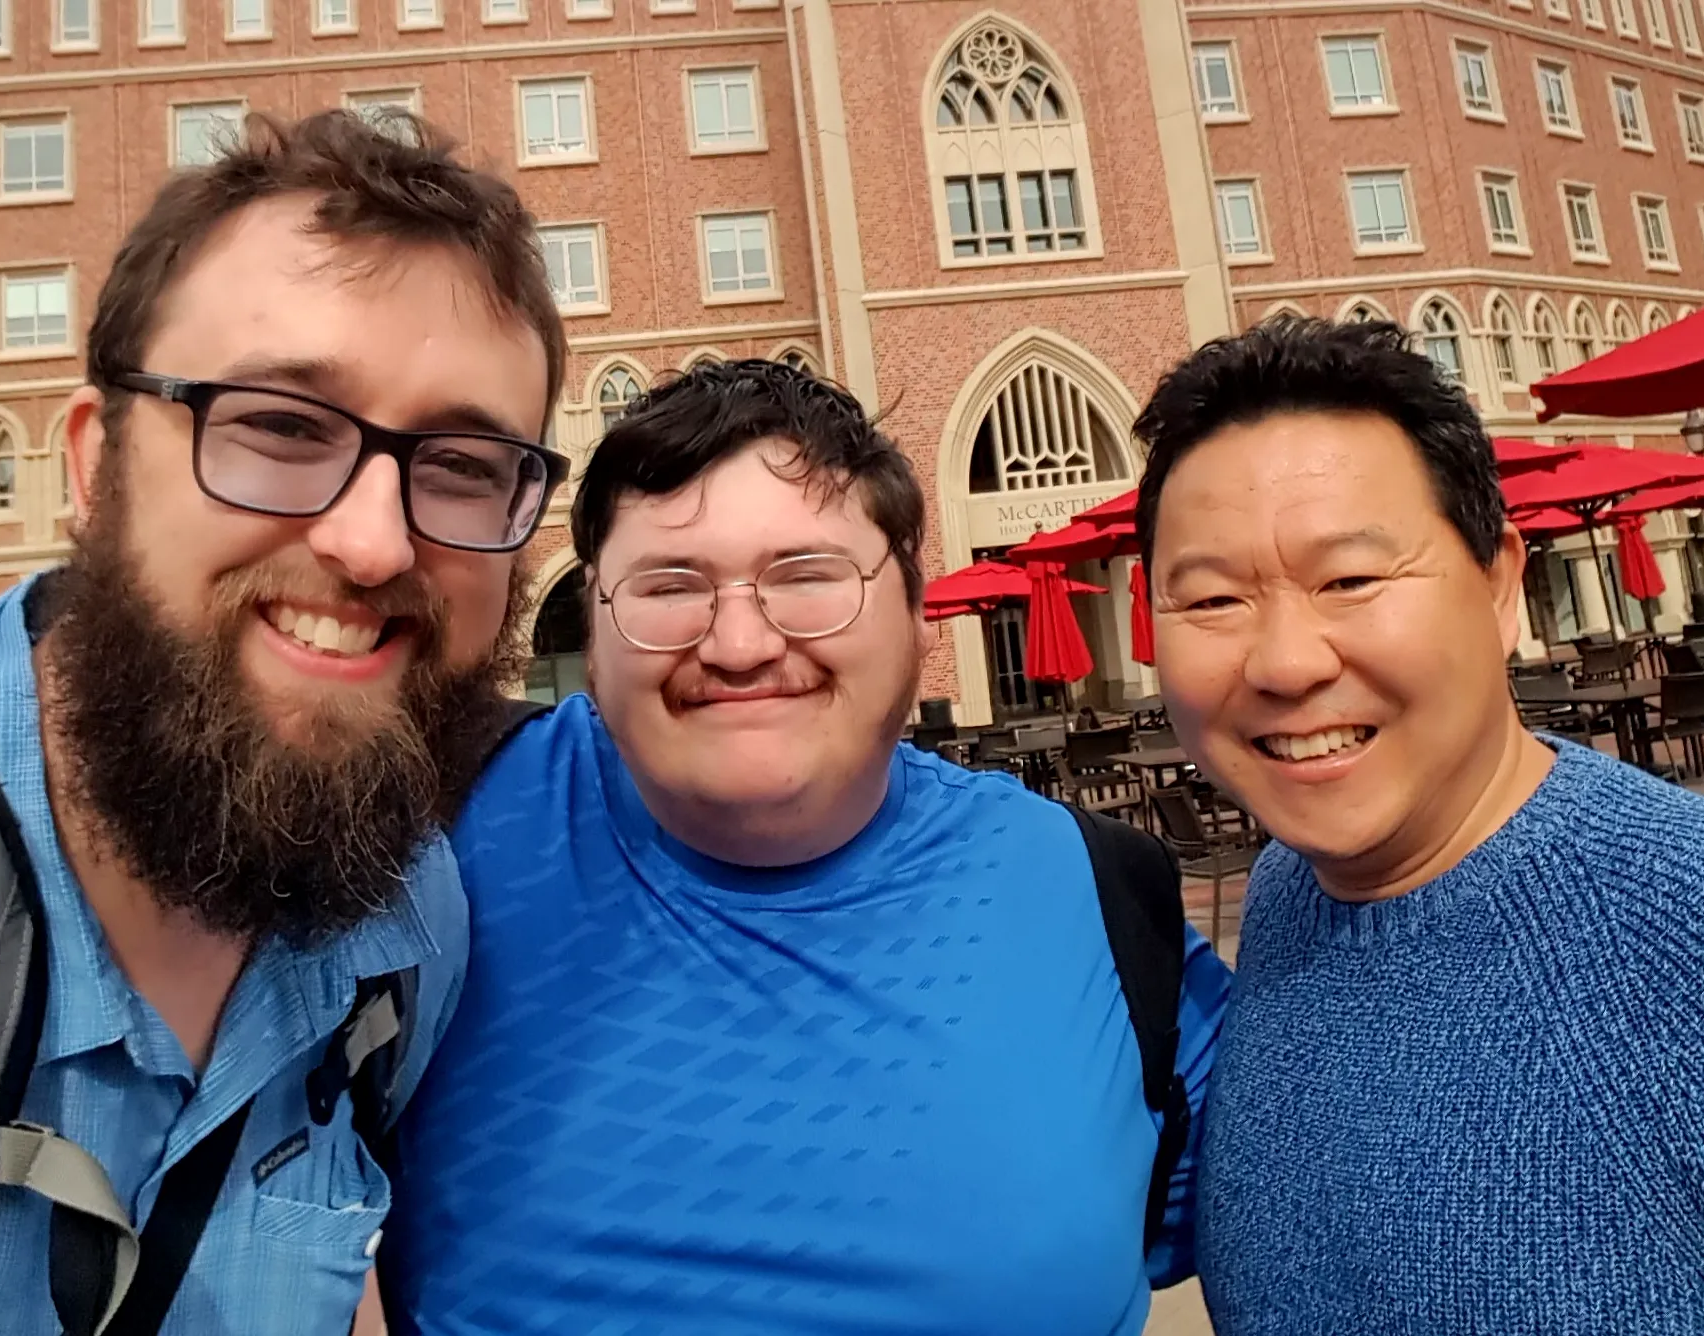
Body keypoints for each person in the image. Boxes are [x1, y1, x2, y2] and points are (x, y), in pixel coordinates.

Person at [379, 359, 1233, 1336]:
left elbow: (1333, 1201)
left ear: (915, 610)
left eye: (807, 576)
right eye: (668, 585)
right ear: (595, 626)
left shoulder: (1086, 889)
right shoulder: (426, 834)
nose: (739, 642)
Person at [0, 110, 566, 1333]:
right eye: (275, 426)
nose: (372, 541)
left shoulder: (410, 923)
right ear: (96, 462)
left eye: (464, 463)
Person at [1133, 317, 1704, 1333]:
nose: (1283, 662)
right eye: (1210, 598)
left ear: (1498, 582)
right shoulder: (1287, 893)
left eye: (1349, 579)